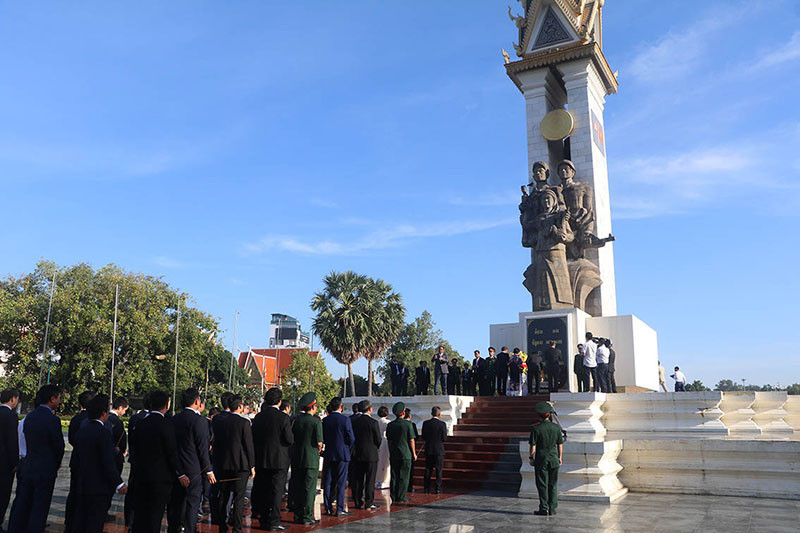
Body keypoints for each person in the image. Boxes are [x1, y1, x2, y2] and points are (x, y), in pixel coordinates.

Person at [8, 384, 65, 533]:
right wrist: (57, 462)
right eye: (58, 398)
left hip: (28, 465)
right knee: (40, 506)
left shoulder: (29, 417)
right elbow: (58, 446)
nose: (59, 402)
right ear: (52, 399)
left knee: (23, 502)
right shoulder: (53, 420)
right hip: (45, 468)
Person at [132, 390, 189, 533]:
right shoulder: (166, 424)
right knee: (155, 515)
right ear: (166, 404)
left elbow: (135, 450)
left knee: (141, 514)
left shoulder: (140, 423)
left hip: (141, 476)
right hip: (160, 478)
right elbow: (172, 452)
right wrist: (180, 473)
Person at [72, 394, 127, 533]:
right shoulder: (103, 433)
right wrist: (119, 483)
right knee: (95, 522)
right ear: (103, 413)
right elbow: (107, 462)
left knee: (81, 520)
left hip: (82, 482)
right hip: (98, 485)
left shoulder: (82, 431)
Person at [167, 388, 215, 533]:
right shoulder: (200, 421)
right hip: (194, 470)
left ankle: (173, 529)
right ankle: (189, 529)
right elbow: (202, 449)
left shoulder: (174, 419)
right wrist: (208, 470)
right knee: (192, 504)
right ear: (196, 401)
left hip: (177, 469)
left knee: (175, 503)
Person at [252, 387, 293, 531]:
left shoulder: (259, 416)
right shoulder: (283, 417)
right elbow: (288, 439)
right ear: (280, 401)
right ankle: (274, 521)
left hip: (262, 458)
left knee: (263, 489)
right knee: (277, 491)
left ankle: (264, 518)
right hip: (279, 460)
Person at [213, 393, 254, 533]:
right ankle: (237, 527)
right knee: (239, 497)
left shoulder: (221, 422)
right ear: (240, 406)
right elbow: (248, 446)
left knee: (223, 495)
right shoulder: (244, 423)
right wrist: (252, 465)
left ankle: (222, 525)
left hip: (224, 463)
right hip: (240, 465)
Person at [65, 389, 96, 533]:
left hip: (76, 459)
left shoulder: (75, 419)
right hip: (90, 462)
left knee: (74, 491)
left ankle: (69, 522)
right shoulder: (91, 420)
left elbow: (71, 439)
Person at [291, 392, 323, 526]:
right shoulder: (316, 422)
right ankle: (307, 516)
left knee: (297, 487)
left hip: (297, 457)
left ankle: (298, 514)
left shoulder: (295, 420)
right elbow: (319, 443)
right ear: (313, 407)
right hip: (311, 459)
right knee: (309, 490)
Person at [528, 402, 564, 516]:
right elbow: (560, 445)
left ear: (539, 415)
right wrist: (560, 457)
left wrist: (531, 457)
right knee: (553, 484)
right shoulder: (556, 428)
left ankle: (544, 507)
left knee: (542, 483)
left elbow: (533, 445)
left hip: (541, 459)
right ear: (549, 415)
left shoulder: (536, 428)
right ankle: (552, 508)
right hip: (553, 458)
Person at [322, 396, 354, 516]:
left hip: (330, 453)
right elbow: (351, 438)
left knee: (328, 481)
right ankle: (340, 508)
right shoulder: (345, 420)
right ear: (341, 407)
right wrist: (346, 447)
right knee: (341, 482)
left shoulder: (325, 420)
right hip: (342, 454)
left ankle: (328, 507)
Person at [125, 393, 151, 530]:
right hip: (149, 463)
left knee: (133, 491)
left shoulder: (135, 418)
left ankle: (130, 520)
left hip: (135, 459)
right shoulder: (154, 420)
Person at [350, 400, 381, 510]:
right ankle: (369, 501)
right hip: (371, 454)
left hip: (357, 453)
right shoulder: (373, 422)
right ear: (369, 409)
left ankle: (358, 501)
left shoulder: (354, 422)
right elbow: (378, 439)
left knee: (358, 479)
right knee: (370, 480)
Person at [385, 402, 416, 504]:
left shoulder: (390, 425)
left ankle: (393, 495)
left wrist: (390, 451)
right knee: (404, 476)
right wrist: (414, 453)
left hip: (394, 453)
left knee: (394, 475)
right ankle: (401, 496)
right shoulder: (408, 424)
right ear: (403, 412)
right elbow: (411, 440)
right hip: (405, 454)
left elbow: (389, 440)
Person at [105, 395, 129, 522]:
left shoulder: (106, 418)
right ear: (119, 408)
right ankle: (104, 511)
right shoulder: (117, 422)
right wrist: (122, 451)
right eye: (124, 410)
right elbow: (121, 440)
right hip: (115, 457)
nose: (124, 413)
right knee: (110, 486)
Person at [0, 388, 20, 532]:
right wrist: (15, 462)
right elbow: (12, 442)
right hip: (4, 462)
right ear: (13, 399)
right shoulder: (11, 416)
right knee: (3, 494)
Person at [421, 406, 447, 494]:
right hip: (439, 450)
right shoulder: (442, 424)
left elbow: (423, 437)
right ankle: (438, 488)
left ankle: (426, 487)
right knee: (439, 470)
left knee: (428, 469)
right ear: (439, 414)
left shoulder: (426, 423)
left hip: (429, 449)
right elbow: (444, 438)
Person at [375, 406, 391, 490]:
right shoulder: (388, 422)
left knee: (379, 462)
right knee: (385, 462)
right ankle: (385, 481)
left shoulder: (376, 422)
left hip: (378, 442)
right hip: (385, 442)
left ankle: (378, 480)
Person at [404, 409, 418, 493]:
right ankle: (409, 486)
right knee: (410, 470)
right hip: (409, 449)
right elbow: (414, 438)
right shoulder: (412, 425)